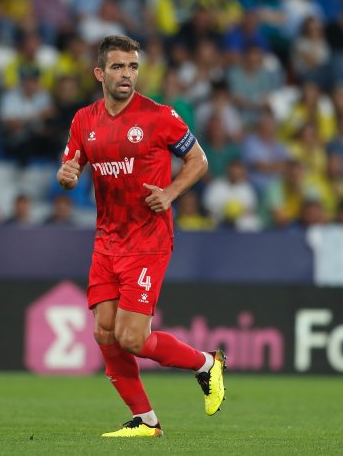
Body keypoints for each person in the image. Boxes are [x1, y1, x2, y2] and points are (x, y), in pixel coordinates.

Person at [55, 35, 225, 438]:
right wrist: (66, 176)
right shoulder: (84, 120)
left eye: (132, 67)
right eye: (117, 67)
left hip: (148, 240)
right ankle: (146, 421)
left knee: (132, 338)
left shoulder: (159, 116)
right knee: (103, 330)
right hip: (107, 238)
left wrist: (170, 193)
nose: (126, 75)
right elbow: (70, 167)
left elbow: (199, 160)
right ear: (100, 73)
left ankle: (206, 364)